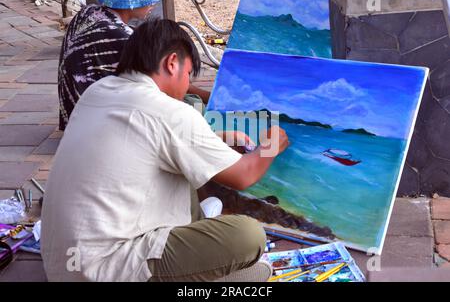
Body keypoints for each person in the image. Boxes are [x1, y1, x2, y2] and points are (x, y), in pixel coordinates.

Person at [41, 19, 290, 282]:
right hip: (106, 270)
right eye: (188, 74)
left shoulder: (97, 91)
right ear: (172, 63)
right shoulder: (170, 111)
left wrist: (218, 139)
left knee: (189, 175)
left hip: (63, 266)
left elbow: (153, 139)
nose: (186, 87)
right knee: (248, 237)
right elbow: (244, 174)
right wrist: (271, 145)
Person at [58, 0, 210, 131]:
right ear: (131, 1)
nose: (154, 3)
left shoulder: (89, 12)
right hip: (93, 124)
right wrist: (208, 97)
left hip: (75, 115)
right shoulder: (121, 36)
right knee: (191, 106)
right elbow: (164, 80)